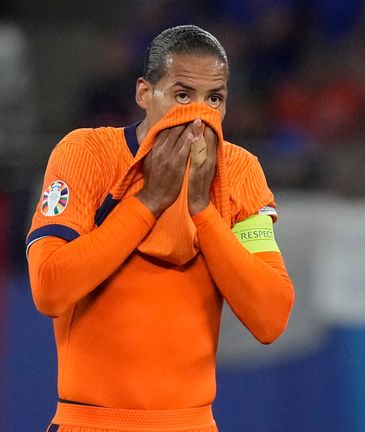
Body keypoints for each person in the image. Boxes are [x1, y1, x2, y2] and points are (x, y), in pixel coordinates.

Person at [26, 25, 294, 432]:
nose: (199, 115)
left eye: (214, 99)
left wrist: (202, 212)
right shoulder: (86, 154)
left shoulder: (238, 172)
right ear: (143, 93)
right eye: (182, 95)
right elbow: (49, 288)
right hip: (91, 422)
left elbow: (270, 317)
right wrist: (149, 202)